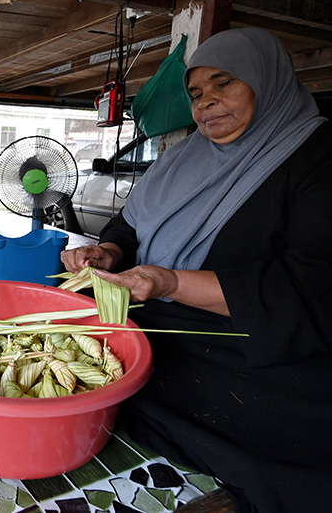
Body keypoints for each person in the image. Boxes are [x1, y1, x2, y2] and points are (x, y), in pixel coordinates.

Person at [60, 28, 331, 513]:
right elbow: (129, 224)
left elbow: (311, 286)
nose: (207, 103)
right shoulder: (183, 157)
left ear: (266, 81)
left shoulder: (317, 158)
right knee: (71, 332)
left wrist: (172, 282)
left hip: (243, 338)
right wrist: (109, 255)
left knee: (280, 434)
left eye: (224, 84)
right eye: (197, 94)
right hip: (157, 310)